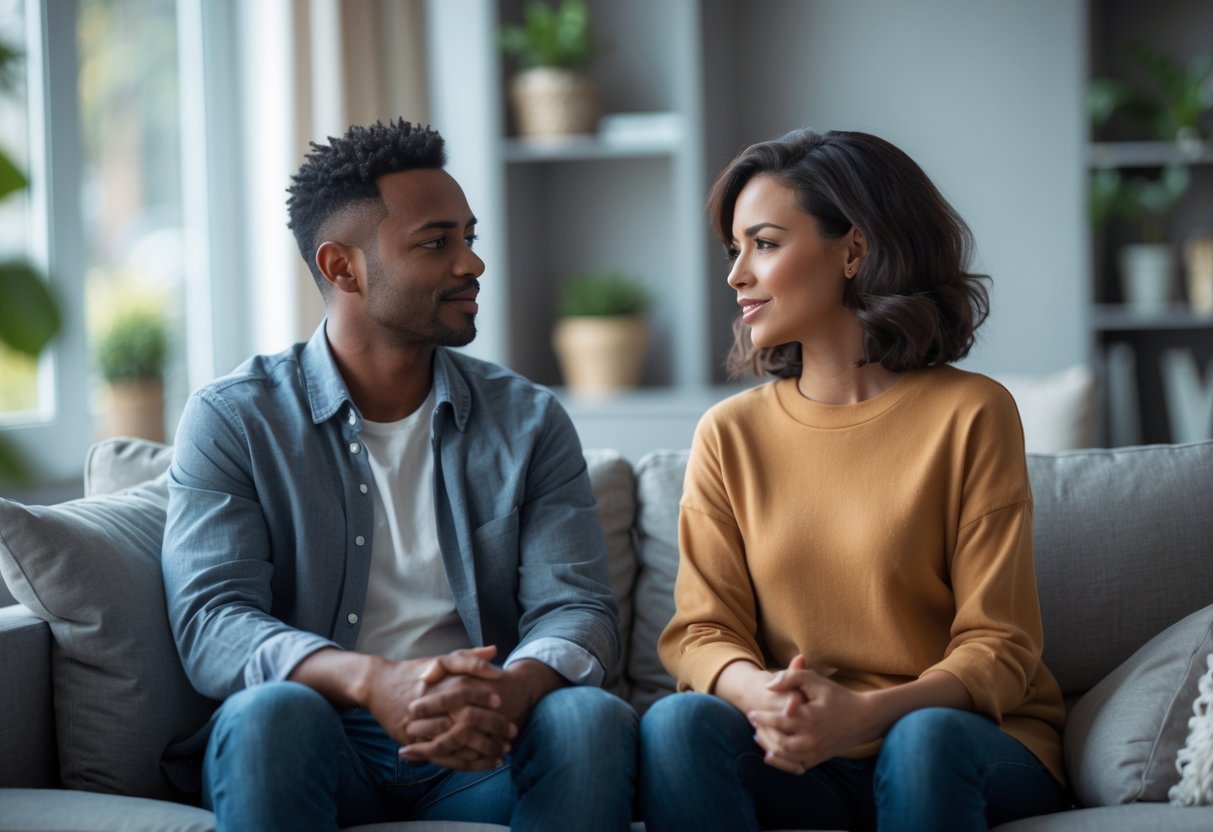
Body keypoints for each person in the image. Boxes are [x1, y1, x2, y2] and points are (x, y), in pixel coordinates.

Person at [162, 119, 636, 832]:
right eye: (435, 242)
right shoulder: (235, 420)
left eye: (469, 238)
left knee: (585, 718)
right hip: (323, 733)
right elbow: (211, 622)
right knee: (269, 714)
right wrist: (371, 680)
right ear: (341, 266)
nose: (471, 264)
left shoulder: (528, 420)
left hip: (484, 743)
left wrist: (512, 689)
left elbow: (578, 607)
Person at [638, 129, 1069, 832]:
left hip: (957, 743)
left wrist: (864, 713)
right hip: (799, 755)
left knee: (921, 741)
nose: (735, 274)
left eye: (765, 243)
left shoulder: (971, 413)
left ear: (853, 250)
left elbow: (1000, 644)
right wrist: (762, 696)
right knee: (676, 724)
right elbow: (700, 631)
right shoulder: (729, 434)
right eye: (734, 249)